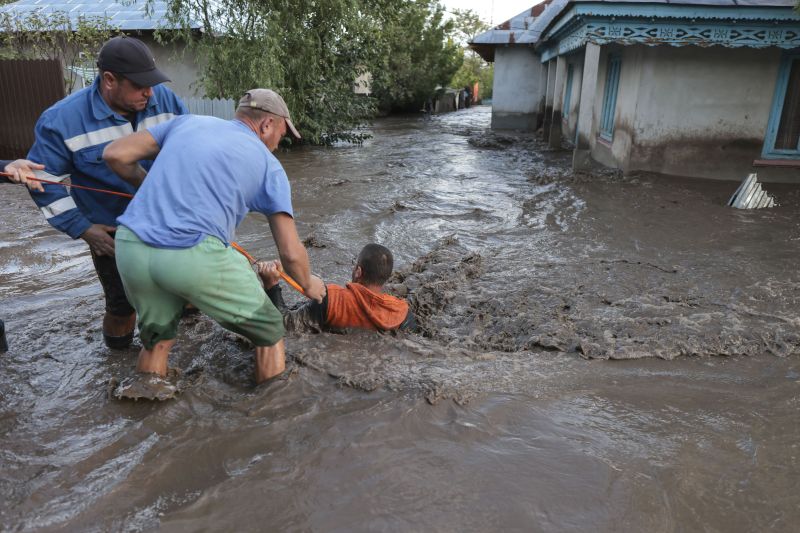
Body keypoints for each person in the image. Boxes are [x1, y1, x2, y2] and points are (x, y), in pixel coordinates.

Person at [103, 88, 325, 385]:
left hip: (130, 246)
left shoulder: (187, 122)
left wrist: (145, 185)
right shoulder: (269, 165)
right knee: (271, 330)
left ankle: (148, 415)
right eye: (281, 135)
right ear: (267, 125)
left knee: (157, 341)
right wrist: (309, 284)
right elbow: (290, 252)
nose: (277, 144)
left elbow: (115, 154)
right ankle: (274, 417)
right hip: (191, 253)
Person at [13, 35, 188, 349]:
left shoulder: (165, 100)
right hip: (112, 233)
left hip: (171, 221)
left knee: (188, 292)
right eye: (140, 86)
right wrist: (83, 229)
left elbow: (190, 155)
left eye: (152, 83)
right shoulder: (61, 121)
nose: (150, 93)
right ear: (109, 80)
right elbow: (45, 185)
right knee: (122, 308)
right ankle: (117, 362)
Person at [257, 243, 415, 334]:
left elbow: (286, 326)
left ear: (358, 271)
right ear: (385, 277)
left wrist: (271, 285)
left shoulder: (332, 298)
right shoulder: (402, 312)